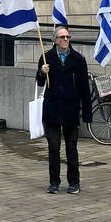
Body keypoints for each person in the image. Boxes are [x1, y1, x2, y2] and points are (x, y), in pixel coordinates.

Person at [35, 26, 93, 194]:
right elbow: (40, 83)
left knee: (71, 148)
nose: (65, 40)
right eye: (61, 37)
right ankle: (54, 182)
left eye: (67, 37)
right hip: (52, 109)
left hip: (70, 109)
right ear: (55, 40)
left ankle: (74, 182)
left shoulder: (78, 59)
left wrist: (87, 112)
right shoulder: (46, 57)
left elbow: (84, 88)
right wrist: (41, 72)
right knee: (53, 147)